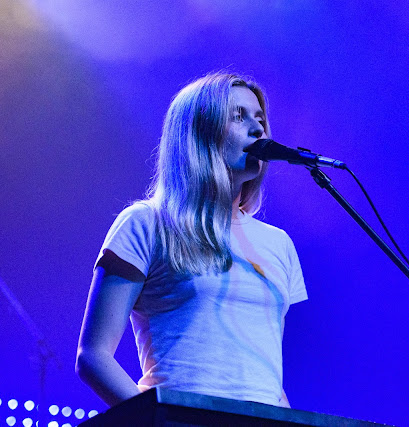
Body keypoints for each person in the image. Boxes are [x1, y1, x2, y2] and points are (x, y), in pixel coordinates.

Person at [76, 71, 307, 409]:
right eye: (238, 117)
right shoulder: (146, 223)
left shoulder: (279, 243)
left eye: (260, 118)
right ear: (200, 132)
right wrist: (154, 421)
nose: (259, 129)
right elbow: (93, 356)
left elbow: (267, 376)